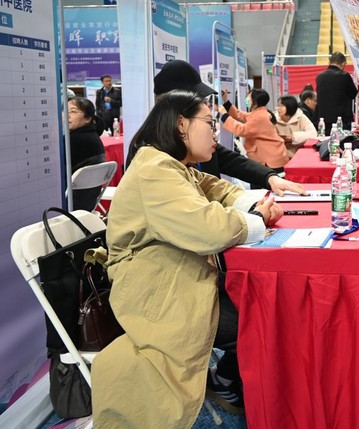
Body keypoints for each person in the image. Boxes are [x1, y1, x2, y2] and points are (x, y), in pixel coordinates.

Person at [92, 90, 283, 427]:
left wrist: (251, 206)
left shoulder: (173, 166)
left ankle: (229, 381)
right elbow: (208, 228)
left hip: (176, 276)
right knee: (257, 316)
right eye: (209, 124)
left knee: (259, 303)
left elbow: (217, 189)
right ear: (182, 125)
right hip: (157, 291)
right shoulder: (156, 170)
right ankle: (230, 382)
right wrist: (257, 219)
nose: (215, 133)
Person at [152, 60, 304, 196]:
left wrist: (268, 177)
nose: (213, 133)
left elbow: (229, 168)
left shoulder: (198, 147)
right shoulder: (158, 163)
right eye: (208, 122)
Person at [221, 88, 290, 173]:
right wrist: (226, 102)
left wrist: (225, 116)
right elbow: (240, 115)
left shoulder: (259, 117)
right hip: (273, 155)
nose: (247, 98)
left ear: (255, 101)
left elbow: (242, 130)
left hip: (270, 159)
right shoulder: (259, 113)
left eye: (249, 96)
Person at [67, 97, 106, 210]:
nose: (67, 115)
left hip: (70, 203)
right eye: (65, 110)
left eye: (73, 111)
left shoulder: (74, 140)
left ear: (88, 118)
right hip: (88, 202)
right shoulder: (92, 135)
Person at [315, 52, 358, 129]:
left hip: (323, 120)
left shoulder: (320, 76)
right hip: (341, 120)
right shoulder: (345, 76)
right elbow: (352, 94)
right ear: (343, 63)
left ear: (329, 62)